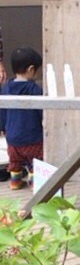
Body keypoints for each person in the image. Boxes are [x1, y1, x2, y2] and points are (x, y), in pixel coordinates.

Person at [0, 47, 43, 190]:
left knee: (15, 161)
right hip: (32, 136)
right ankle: (34, 183)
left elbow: (2, 110)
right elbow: (41, 111)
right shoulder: (34, 90)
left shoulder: (5, 88)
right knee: (35, 162)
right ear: (31, 69)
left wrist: (2, 127)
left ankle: (15, 182)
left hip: (12, 137)